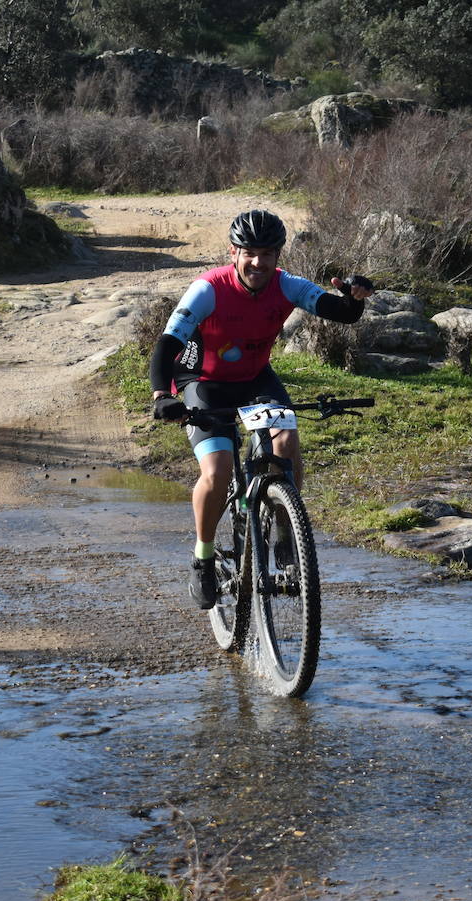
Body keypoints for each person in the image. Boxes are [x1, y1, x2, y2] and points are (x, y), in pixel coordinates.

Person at [148, 209, 372, 608]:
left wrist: (352, 301)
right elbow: (167, 345)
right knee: (217, 471)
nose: (258, 262)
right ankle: (202, 558)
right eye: (249, 253)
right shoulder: (208, 290)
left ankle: (287, 533)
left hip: (255, 380)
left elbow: (333, 310)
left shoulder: (287, 285)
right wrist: (160, 396)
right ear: (233, 252)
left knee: (286, 441)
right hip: (204, 383)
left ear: (277, 255)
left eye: (267, 253)